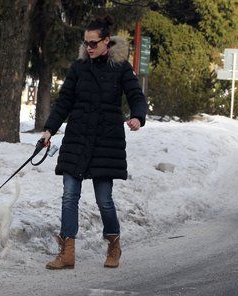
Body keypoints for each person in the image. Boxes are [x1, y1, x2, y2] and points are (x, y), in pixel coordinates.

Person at [42, 16, 148, 270]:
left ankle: (113, 244)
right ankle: (67, 253)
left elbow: (136, 96)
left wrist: (137, 117)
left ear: (106, 42)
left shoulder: (120, 67)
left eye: (93, 43)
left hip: (105, 142)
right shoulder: (79, 67)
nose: (88, 48)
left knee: (104, 200)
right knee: (69, 196)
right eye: (86, 43)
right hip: (77, 139)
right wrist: (48, 130)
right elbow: (64, 101)